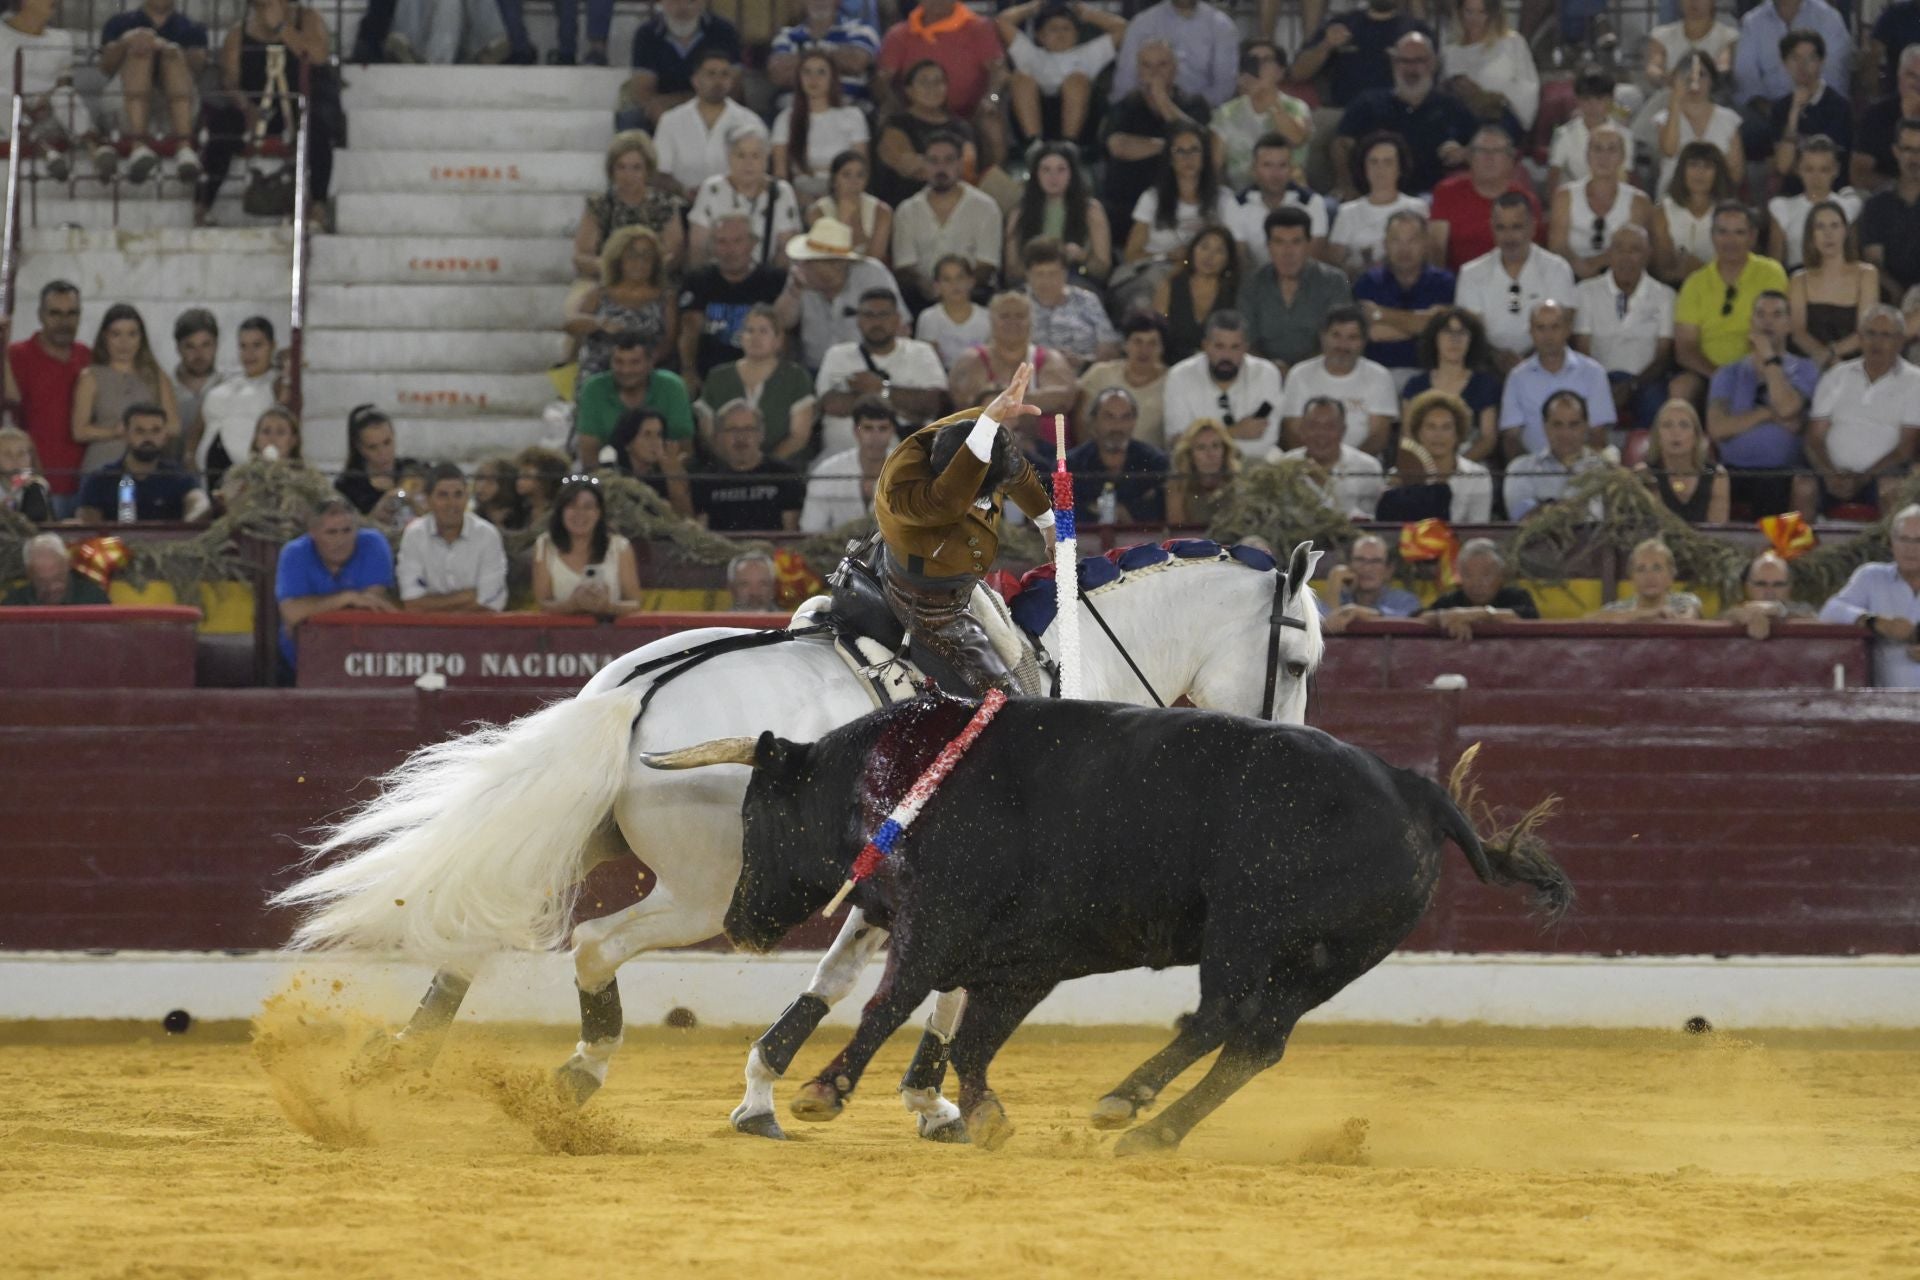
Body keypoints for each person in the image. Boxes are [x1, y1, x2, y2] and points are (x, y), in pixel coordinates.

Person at [873, 363, 1056, 695]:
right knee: (1007, 702)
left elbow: (1015, 471)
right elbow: (947, 499)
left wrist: (1048, 524)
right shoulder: (904, 493)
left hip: (959, 582)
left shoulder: (974, 430)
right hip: (929, 606)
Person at [196, 0, 333, 227]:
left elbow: (318, 56)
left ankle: (318, 206)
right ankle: (202, 206)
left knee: (316, 126)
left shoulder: (307, 18)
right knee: (222, 126)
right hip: (255, 111)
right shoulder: (238, 34)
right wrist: (246, 107)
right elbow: (230, 81)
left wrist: (282, 28)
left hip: (298, 106)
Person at [1708, 289, 1818, 518]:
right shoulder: (1727, 373)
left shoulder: (1806, 369)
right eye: (1760, 314)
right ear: (1751, 322)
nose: (1767, 322)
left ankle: (1783, 543)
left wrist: (1769, 357)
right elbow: (1718, 428)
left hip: (1784, 472)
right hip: (1732, 472)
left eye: (1776, 315)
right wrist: (1769, 414)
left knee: (1778, 489)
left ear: (1789, 324)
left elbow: (1786, 407)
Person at [1671, 202, 1790, 407]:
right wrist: (1721, 377)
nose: (1730, 241)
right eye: (1722, 232)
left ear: (1752, 236)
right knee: (1680, 387)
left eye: (1739, 232)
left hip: (1759, 367)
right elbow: (1685, 349)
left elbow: (1778, 331)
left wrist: (1752, 372)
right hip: (1708, 372)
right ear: (1712, 236)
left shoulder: (1771, 273)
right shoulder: (1695, 283)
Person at [1806, 307, 1920, 516]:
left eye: (1885, 335)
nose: (1876, 342)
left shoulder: (1915, 381)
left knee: (1891, 487)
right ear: (1859, 338)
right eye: (1870, 334)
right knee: (1803, 486)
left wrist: (1862, 478)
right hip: (1830, 474)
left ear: (1900, 341)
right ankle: (1796, 541)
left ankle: (1887, 540)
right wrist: (1830, 473)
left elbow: (1906, 448)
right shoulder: (1837, 375)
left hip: (1880, 476)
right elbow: (1815, 437)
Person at [1333, 32, 1476, 198]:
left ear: (1432, 64)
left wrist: (1464, 153)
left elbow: (1482, 145)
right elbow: (1341, 144)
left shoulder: (1452, 106)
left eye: (1419, 61)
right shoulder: (1369, 103)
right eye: (1404, 61)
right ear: (1394, 63)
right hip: (1372, 195)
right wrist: (1348, 187)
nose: (1411, 69)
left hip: (1432, 196)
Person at [1117, 120, 1236, 315]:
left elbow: (1234, 251)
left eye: (1194, 150)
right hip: (1158, 271)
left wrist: (1189, 261)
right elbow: (1131, 254)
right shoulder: (1152, 198)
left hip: (1207, 273)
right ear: (1170, 159)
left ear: (1205, 156)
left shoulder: (1224, 199)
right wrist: (1167, 256)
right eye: (1180, 151)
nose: (1188, 158)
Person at [815, 290, 947, 457]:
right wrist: (904, 405)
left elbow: (932, 404)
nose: (876, 322)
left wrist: (880, 389)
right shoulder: (837, 354)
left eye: (883, 314)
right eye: (868, 315)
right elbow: (830, 404)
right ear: (858, 320)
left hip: (907, 459)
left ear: (897, 319)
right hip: (839, 458)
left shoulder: (921, 352)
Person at [1453, 195, 1578, 372]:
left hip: (1544, 365)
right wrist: (1497, 358)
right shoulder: (1471, 273)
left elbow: (1564, 324)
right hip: (1488, 367)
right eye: (1501, 228)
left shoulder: (1557, 268)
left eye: (1516, 227)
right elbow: (1470, 331)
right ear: (1492, 228)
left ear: (1533, 227)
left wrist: (1527, 362)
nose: (1509, 237)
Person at [1100, 40, 1213, 233]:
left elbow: (1197, 142)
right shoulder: (1125, 106)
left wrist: (1161, 98)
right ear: (1138, 71)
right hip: (1127, 204)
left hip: (1180, 204)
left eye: (1162, 65)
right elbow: (1118, 146)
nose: (1154, 72)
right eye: (1147, 65)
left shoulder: (1194, 104)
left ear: (1175, 69)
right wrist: (1171, 147)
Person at [1571, 225, 1676, 433]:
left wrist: (1633, 385)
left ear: (1648, 255)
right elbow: (1582, 348)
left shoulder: (1665, 296)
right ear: (1609, 254)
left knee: (1654, 400)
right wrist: (1601, 386)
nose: (1626, 257)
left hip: (1645, 380)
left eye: (1635, 250)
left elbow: (1663, 354)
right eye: (1619, 249)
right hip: (1598, 378)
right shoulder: (1585, 291)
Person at [274, 496, 396, 673]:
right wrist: (347, 598)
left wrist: (311, 611)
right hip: (300, 660)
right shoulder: (294, 553)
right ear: (313, 533)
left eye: (347, 531)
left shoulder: (373, 543)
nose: (341, 540)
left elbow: (370, 609)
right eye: (331, 532)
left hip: (363, 658)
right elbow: (292, 613)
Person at [948, 293, 1079, 452]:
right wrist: (1029, 403)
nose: (1013, 322)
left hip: (1046, 454)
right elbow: (965, 400)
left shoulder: (1049, 358)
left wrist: (998, 400)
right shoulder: (972, 359)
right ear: (992, 321)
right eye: (1005, 316)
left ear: (1031, 321)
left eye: (1020, 316)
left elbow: (1064, 398)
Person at [97, 0, 208, 184]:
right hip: (125, 110)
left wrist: (168, 49)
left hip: (172, 116)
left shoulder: (192, 28)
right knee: (140, 53)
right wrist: (126, 42)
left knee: (171, 52)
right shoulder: (119, 23)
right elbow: (105, 68)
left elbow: (199, 68)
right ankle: (138, 145)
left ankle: (184, 148)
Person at [891, 130, 1003, 309]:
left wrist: (958, 289)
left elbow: (988, 263)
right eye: (933, 161)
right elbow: (905, 266)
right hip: (923, 298)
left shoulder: (985, 207)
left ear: (960, 163)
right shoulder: (907, 211)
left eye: (949, 160)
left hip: (975, 296)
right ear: (924, 164)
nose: (941, 168)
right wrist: (931, 288)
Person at [778, 218, 908, 372]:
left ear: (838, 264)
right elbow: (781, 322)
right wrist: (794, 292)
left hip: (868, 368)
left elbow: (901, 327)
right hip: (815, 368)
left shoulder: (873, 275)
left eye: (812, 261)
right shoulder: (800, 275)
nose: (804, 265)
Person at [677, 215, 789, 390]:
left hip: (762, 377)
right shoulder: (698, 281)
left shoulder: (775, 281)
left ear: (753, 243)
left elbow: (784, 335)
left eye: (738, 241)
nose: (730, 250)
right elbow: (690, 330)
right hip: (708, 377)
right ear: (712, 247)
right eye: (721, 242)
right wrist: (688, 371)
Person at [695, 304, 818, 462]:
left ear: (778, 340)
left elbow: (798, 436)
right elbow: (708, 434)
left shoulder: (796, 377)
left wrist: (763, 467)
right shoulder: (718, 377)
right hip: (726, 467)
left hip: (781, 468)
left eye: (763, 331)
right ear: (741, 337)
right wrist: (735, 465)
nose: (755, 337)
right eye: (749, 331)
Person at [1238, 206, 1354, 372]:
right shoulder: (1252, 283)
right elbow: (1245, 339)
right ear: (1268, 246)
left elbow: (1340, 338)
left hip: (1321, 371)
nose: (1288, 252)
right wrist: (1270, 369)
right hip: (1262, 373)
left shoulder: (1334, 281)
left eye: (1296, 242)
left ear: (1308, 244)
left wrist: (1299, 372)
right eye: (1279, 242)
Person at [70, 304, 178, 481]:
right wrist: (115, 432)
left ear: (141, 338)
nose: (124, 342)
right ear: (105, 337)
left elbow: (174, 426)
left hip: (147, 469)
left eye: (132, 334)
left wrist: (147, 433)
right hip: (102, 467)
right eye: (116, 334)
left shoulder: (156, 376)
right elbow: (79, 431)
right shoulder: (91, 376)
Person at [1817, 503, 1920, 686]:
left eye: (1918, 540)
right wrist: (1874, 621)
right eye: (1903, 539)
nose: (1910, 548)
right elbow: (1829, 611)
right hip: (1883, 700)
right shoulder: (1871, 577)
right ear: (1891, 542)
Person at [7, 281, 88, 512]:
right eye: (55, 313)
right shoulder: (15, 356)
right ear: (40, 315)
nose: (64, 322)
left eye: (71, 313)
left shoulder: (88, 357)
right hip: (33, 487)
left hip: (84, 486)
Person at [999, 0, 1127, 146]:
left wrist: (1087, 13)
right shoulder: (1029, 53)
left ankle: (1069, 145)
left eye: (1066, 28)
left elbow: (1122, 28)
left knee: (1077, 80)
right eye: (1053, 29)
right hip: (1034, 116)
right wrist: (1035, 6)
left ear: (1077, 35)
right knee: (1020, 78)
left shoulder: (1088, 53)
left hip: (1081, 120)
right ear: (1040, 36)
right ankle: (1033, 145)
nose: (1061, 34)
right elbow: (1003, 21)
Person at [1499, 301, 1616, 458]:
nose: (1548, 335)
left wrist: (1577, 466)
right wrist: (1532, 468)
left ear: (1567, 330)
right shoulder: (1517, 377)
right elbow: (1511, 437)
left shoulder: (1594, 373)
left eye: (1555, 327)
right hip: (1533, 468)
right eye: (1541, 328)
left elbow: (1598, 434)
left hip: (1583, 467)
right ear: (1531, 332)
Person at [1278, 305, 1398, 454]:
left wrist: (1346, 463)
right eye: (1336, 336)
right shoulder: (1299, 374)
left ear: (1363, 341)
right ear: (1323, 337)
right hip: (1307, 462)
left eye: (1352, 338)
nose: (1343, 345)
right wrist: (1317, 463)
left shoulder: (1380, 376)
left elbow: (1378, 437)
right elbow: (1293, 432)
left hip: (1362, 463)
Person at [1352, 209, 1453, 382]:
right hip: (1376, 376)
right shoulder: (1368, 282)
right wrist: (1422, 325)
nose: (1404, 249)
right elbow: (1373, 333)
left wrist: (1380, 314)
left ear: (1426, 243)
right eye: (1396, 241)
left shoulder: (1444, 282)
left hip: (1431, 376)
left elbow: (1442, 327)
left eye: (1412, 241)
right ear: (1385, 244)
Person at [1164, 310, 1286, 453]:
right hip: (1197, 465)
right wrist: (1235, 431)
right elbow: (1179, 443)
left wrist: (1203, 441)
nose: (1227, 356)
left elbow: (1265, 439)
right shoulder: (1180, 376)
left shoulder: (1266, 374)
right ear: (1205, 346)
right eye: (1219, 346)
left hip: (1255, 461)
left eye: (1235, 347)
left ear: (1245, 348)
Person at [565, 225, 676, 381]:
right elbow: (571, 324)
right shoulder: (600, 293)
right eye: (632, 255)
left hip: (646, 373)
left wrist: (641, 365)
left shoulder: (666, 298)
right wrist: (599, 323)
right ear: (618, 259)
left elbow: (668, 342)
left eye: (647, 255)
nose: (640, 262)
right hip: (598, 372)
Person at [572, 132, 686, 281]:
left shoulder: (666, 204)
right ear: (611, 170)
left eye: (636, 168)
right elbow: (582, 256)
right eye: (621, 167)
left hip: (654, 282)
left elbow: (673, 255)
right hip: (605, 280)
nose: (628, 175)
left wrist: (640, 271)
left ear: (648, 170)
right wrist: (618, 271)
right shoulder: (598, 204)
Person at [1289, 0, 1434, 117]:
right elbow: (1297, 73)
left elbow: (1431, 74)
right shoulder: (1342, 23)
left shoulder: (1415, 30)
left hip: (1399, 114)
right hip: (1343, 114)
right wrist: (1326, 45)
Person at [395, 463, 507, 614]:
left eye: (458, 495)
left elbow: (490, 602)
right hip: (428, 628)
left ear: (467, 498)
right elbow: (412, 603)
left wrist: (431, 604)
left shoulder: (487, 535)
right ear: (428, 500)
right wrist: (468, 597)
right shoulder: (414, 535)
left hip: (477, 627)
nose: (452, 504)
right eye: (443, 495)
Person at [0, 0, 93, 182]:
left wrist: (47, 98)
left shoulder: (62, 39)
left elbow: (65, 82)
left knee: (64, 94)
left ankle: (96, 150)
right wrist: (21, 105)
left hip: (48, 111)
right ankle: (45, 151)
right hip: (8, 115)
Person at [686, 127, 803, 271]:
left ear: (766, 158)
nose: (748, 163)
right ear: (729, 157)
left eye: (755, 156)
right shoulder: (711, 188)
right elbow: (698, 246)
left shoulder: (782, 191)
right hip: (718, 275)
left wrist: (774, 280)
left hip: (766, 276)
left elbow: (786, 248)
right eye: (741, 155)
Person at [1429, 125, 1541, 275]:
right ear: (1469, 158)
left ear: (1510, 160)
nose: (1489, 158)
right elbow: (1436, 250)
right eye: (1482, 151)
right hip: (1457, 281)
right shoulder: (1446, 192)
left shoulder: (1526, 201)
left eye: (1497, 151)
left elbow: (1535, 255)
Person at [650, 50, 765, 196]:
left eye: (724, 74)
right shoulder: (671, 121)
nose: (718, 81)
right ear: (695, 80)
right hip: (683, 202)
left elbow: (760, 172)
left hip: (736, 202)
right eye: (711, 74)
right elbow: (661, 172)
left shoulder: (750, 121)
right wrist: (686, 192)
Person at [871, 59, 981, 211]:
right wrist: (949, 167)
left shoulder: (961, 127)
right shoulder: (896, 124)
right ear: (909, 90)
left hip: (956, 205)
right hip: (906, 205)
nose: (932, 88)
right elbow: (906, 166)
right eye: (924, 82)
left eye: (938, 82)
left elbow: (968, 168)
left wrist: (930, 164)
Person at [875, 0, 1008, 125]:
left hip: (972, 115)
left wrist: (992, 98)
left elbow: (1000, 72)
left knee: (991, 119)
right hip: (913, 116)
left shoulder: (979, 27)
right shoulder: (898, 34)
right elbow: (881, 79)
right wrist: (890, 102)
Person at [1547, 126, 1652, 284]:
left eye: (1612, 150)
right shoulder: (1564, 196)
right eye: (1597, 149)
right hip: (1570, 276)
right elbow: (1558, 246)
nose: (1604, 157)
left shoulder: (1638, 201)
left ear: (1623, 157)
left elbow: (1633, 249)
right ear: (1587, 155)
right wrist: (1580, 268)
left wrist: (1594, 264)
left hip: (1619, 278)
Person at [576, 333, 696, 469]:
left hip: (664, 474)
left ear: (650, 362)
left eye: (635, 362)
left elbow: (685, 449)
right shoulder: (594, 388)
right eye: (619, 362)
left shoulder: (672, 386)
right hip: (609, 474)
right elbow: (589, 453)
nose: (626, 370)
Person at [74, 403, 209, 522]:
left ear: (165, 435)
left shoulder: (179, 477)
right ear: (125, 434)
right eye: (139, 431)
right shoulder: (100, 479)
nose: (148, 438)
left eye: (156, 430)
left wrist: (192, 520)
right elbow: (88, 519)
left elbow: (199, 503)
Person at [1005, 142, 1113, 287]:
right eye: (1046, 170)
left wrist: (1081, 256)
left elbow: (1103, 270)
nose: (1053, 177)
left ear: (1071, 174)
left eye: (1061, 170)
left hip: (1076, 279)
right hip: (1031, 281)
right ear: (1036, 174)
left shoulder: (1091, 210)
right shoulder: (1019, 212)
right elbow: (1012, 270)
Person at [532, 476, 642, 618]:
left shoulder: (620, 547)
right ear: (561, 511)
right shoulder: (544, 546)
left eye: (588, 507)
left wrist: (608, 607)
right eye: (572, 506)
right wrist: (572, 605)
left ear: (598, 513)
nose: (580, 513)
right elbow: (543, 604)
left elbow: (635, 603)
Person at [623, 0, 741, 130]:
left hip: (714, 107)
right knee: (630, 121)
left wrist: (679, 103)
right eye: (675, 1)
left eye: (690, 1)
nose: (682, 7)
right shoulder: (646, 34)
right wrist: (668, 122)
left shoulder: (724, 31)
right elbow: (643, 92)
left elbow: (732, 88)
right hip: (662, 113)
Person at [1789, 200, 1879, 371]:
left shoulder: (1866, 274)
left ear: (1845, 231)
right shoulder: (1799, 279)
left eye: (1834, 226)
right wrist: (1824, 357)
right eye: (1820, 227)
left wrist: (1832, 354)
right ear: (1811, 235)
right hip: (1810, 363)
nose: (1828, 234)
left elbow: (1865, 330)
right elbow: (1798, 333)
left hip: (1854, 365)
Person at [772, 49, 871, 206]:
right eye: (807, 72)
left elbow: (860, 168)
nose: (814, 79)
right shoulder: (785, 119)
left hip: (843, 192)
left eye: (821, 72)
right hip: (799, 196)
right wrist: (799, 199)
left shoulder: (852, 116)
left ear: (832, 78)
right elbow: (780, 175)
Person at [191, 316, 277, 493]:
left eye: (257, 345)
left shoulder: (277, 384)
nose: (249, 354)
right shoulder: (224, 382)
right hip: (209, 480)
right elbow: (197, 428)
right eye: (243, 346)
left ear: (272, 346)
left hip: (251, 484)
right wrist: (189, 457)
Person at [1402, 307, 1500, 459]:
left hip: (1469, 465)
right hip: (1423, 465)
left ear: (1472, 340)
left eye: (1462, 333)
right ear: (1435, 338)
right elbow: (1408, 438)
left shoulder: (1484, 384)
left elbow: (1488, 439)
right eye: (1447, 332)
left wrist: (1455, 466)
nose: (1455, 340)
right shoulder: (1415, 386)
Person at [693, 400, 806, 532]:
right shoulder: (706, 479)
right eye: (732, 429)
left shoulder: (785, 475)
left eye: (749, 429)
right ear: (719, 436)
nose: (741, 437)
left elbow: (790, 534)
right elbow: (701, 534)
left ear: (761, 434)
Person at [1328, 132, 1431, 276]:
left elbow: (1428, 257)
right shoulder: (1347, 212)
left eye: (1388, 162)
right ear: (1364, 168)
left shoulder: (1417, 207)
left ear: (1400, 168)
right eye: (1373, 162)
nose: (1380, 169)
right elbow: (1334, 266)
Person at [1212, 41, 1311, 190]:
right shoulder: (1226, 112)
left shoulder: (1296, 107)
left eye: (1266, 60)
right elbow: (1213, 166)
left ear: (1280, 72)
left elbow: (1296, 138)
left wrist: (1270, 99)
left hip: (1289, 192)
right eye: (1252, 61)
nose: (1258, 66)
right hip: (1243, 195)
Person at [1386, 389, 1492, 522]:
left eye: (1446, 427)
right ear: (1418, 433)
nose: (1438, 435)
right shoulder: (1400, 475)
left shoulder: (1478, 476)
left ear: (1458, 433)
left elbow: (1479, 528)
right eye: (1431, 427)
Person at [1503, 389, 1611, 519]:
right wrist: (1577, 508)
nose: (1565, 433)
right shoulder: (1521, 468)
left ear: (1586, 426)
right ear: (1545, 427)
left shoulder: (1605, 469)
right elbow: (1522, 518)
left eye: (1574, 425)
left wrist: (1548, 507)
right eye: (1557, 425)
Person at [1065, 386, 1168, 523]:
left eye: (1125, 417)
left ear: (1134, 422)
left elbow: (1159, 515)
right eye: (1109, 417)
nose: (1117, 426)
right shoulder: (1070, 464)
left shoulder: (1156, 463)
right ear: (1094, 421)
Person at [1439, 0, 1537, 143]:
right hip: (1462, 119)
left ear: (1492, 14)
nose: (1474, 19)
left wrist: (1492, 96)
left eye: (1482, 12)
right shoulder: (1451, 52)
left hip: (1502, 117)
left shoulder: (1512, 43)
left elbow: (1528, 88)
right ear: (1460, 13)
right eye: (1469, 12)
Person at [1228, 134, 1331, 268]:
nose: (1275, 174)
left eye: (1282, 165)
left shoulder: (1312, 202)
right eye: (1267, 165)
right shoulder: (1236, 204)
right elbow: (1238, 260)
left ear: (1292, 169)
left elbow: (1314, 258)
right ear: (1254, 169)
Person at [1731, 0, 1850, 117]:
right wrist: (1774, 113)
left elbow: (1833, 76)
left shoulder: (1828, 18)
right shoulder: (1752, 22)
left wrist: (1802, 112)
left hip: (1821, 112)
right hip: (1767, 114)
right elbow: (1746, 79)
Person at [1767, 31, 1852, 191]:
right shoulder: (1780, 108)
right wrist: (1794, 112)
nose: (1802, 66)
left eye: (1810, 58)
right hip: (1793, 194)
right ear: (1785, 63)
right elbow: (1783, 166)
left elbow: (1829, 163)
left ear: (1822, 61)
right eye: (1795, 58)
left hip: (1832, 192)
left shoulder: (1839, 106)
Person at [1274, 394, 1383, 520]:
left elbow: (1370, 520)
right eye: (1313, 426)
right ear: (1302, 429)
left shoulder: (1367, 468)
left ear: (1343, 430)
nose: (1321, 434)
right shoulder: (1282, 467)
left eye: (1330, 426)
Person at [1652, 53, 1745, 197]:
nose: (1694, 82)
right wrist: (1675, 101)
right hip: (1673, 195)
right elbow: (1670, 151)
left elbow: (1736, 174)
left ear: (1712, 80)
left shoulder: (1729, 119)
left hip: (1716, 196)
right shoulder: (1664, 118)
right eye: (1687, 76)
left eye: (1701, 75)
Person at [802, 397, 899, 532]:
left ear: (892, 431)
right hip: (837, 545)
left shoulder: (909, 471)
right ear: (856, 431)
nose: (875, 437)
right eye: (868, 428)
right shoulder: (827, 472)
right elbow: (811, 530)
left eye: (883, 429)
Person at [1077, 312, 1171, 448]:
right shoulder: (1100, 373)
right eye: (1137, 342)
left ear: (1162, 348)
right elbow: (1080, 419)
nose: (1144, 350)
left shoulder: (1172, 381)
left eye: (1152, 343)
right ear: (1125, 345)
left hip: (1151, 459)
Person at [1767, 135, 1861, 271]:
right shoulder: (1782, 208)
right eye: (1809, 169)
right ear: (1798, 170)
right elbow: (1775, 265)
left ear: (1836, 170)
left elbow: (1853, 258)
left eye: (1824, 170)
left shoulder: (1849, 207)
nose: (1816, 178)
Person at [1027, 238, 1122, 372]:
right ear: (1028, 275)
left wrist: (1082, 362)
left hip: (1084, 374)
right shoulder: (1017, 304)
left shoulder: (1087, 300)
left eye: (1053, 274)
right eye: (1039, 274)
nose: (1046, 281)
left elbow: (1109, 346)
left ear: (1065, 273)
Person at [1651, 141, 1736, 287]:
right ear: (1682, 170)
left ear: (1718, 173)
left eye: (1707, 166)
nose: (1699, 173)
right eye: (1693, 165)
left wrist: (1698, 268)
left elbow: (1736, 265)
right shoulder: (1662, 211)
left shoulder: (1732, 214)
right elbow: (1662, 269)